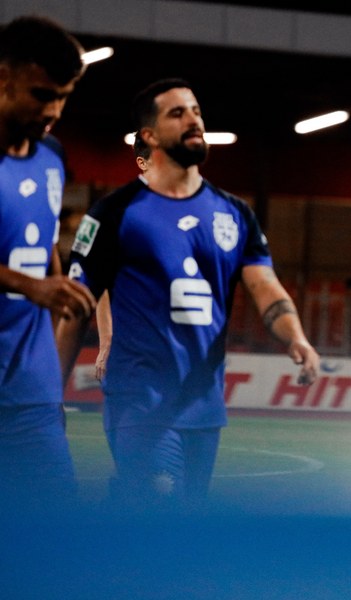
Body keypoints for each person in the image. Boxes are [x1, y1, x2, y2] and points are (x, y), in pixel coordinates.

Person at [56, 78, 320, 511]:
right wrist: (52, 394)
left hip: (204, 406)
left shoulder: (235, 213)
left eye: (196, 111)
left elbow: (265, 286)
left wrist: (296, 337)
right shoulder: (112, 214)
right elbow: (75, 308)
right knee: (160, 514)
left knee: (184, 523)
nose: (193, 120)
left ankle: (116, 514)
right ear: (149, 135)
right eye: (177, 113)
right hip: (141, 402)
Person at [0, 16, 96, 510]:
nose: (53, 110)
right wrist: (30, 287)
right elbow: (31, 281)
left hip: (31, 392)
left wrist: (58, 286)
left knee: (57, 529)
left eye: (63, 97)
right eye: (42, 95)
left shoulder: (52, 156)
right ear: (3, 78)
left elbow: (43, 242)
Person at [94, 134, 151, 382]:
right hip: (133, 347)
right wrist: (106, 341)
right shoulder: (118, 213)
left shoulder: (195, 210)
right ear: (142, 163)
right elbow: (100, 284)